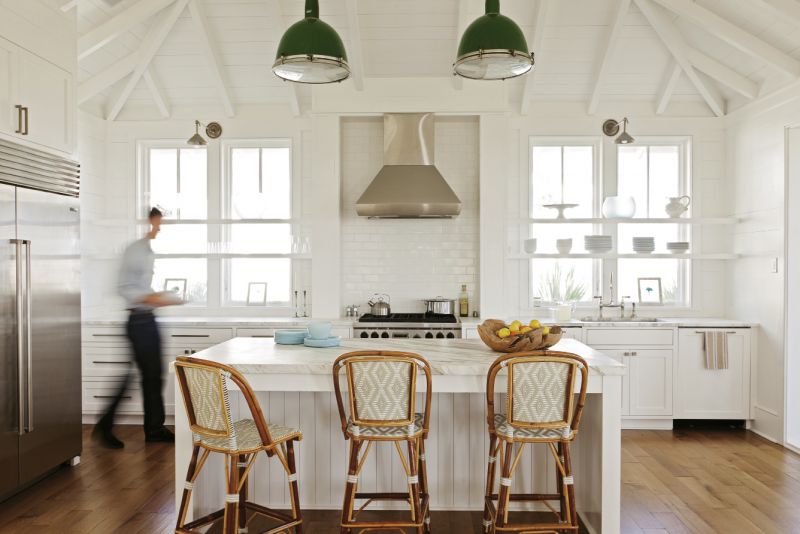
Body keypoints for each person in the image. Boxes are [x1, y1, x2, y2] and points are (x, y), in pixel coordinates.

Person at [93, 207, 177, 448]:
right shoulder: (135, 250)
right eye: (160, 223)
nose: (161, 228)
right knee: (139, 377)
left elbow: (138, 286)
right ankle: (105, 426)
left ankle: (154, 430)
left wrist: (156, 297)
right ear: (152, 220)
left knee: (152, 376)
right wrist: (152, 299)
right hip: (139, 321)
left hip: (146, 319)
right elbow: (125, 287)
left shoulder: (146, 250)